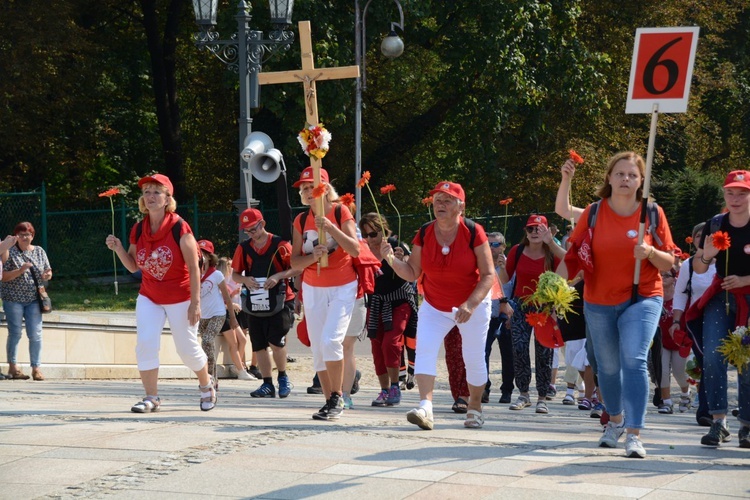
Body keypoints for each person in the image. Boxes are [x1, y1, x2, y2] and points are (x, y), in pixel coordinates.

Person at [560, 151, 679, 458]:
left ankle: (635, 434)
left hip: (642, 297)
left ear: (641, 181)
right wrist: (555, 284)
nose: (626, 179)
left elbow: (671, 260)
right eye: (620, 173)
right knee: (608, 368)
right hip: (598, 300)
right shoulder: (594, 212)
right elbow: (572, 255)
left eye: (632, 175)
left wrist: (650, 253)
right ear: (609, 177)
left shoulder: (651, 213)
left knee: (634, 359)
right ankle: (615, 421)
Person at [382, 181, 498, 430]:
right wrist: (390, 259)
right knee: (424, 350)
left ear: (461, 206)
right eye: (437, 200)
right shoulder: (424, 232)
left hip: (472, 305)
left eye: (447, 200)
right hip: (435, 305)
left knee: (473, 357)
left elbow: (488, 275)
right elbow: (412, 272)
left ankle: (475, 407)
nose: (440, 205)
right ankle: (426, 407)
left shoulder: (473, 231)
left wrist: (470, 304)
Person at [105, 173, 216, 412]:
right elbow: (134, 266)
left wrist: (195, 303)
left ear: (167, 198)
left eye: (157, 191)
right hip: (150, 295)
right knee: (145, 343)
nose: (151, 196)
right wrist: (118, 249)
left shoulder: (179, 227)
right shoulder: (138, 228)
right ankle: (151, 397)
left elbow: (195, 268)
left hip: (180, 296)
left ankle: (207, 385)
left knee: (186, 349)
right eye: (147, 192)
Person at [290, 167, 360, 420]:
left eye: (313, 186)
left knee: (331, 340)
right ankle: (330, 400)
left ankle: (339, 396)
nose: (308, 192)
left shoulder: (340, 211)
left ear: (326, 189)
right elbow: (295, 263)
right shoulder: (300, 220)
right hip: (312, 287)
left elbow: (354, 249)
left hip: (342, 285)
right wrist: (312, 257)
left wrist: (331, 229)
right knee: (319, 346)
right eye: (304, 188)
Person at [689, 170, 750, 448]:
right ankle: (718, 421)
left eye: (742, 193)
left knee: (746, 362)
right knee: (713, 355)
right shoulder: (716, 224)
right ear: (724, 194)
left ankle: (747, 425)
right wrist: (706, 255)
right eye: (730, 193)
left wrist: (746, 279)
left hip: (748, 299)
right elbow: (699, 267)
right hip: (721, 297)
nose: (735, 199)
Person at [499, 215, 566, 414]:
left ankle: (542, 397)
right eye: (531, 229)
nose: (535, 232)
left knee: (544, 352)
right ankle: (523, 394)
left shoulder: (551, 253)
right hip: (521, 305)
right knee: (519, 348)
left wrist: (551, 242)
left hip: (545, 306)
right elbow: (505, 279)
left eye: (540, 229)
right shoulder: (517, 251)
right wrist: (501, 266)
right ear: (525, 233)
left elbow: (568, 262)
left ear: (547, 231)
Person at [232, 208, 299, 399]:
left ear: (262, 224)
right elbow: (235, 274)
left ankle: (283, 378)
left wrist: (278, 276)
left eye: (253, 229)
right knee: (258, 345)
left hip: (280, 300)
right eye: (247, 231)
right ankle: (267, 383)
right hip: (255, 302)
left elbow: (296, 268)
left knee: (276, 341)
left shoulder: (281, 244)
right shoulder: (244, 248)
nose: (250, 234)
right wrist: (246, 280)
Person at [359, 213, 417, 408]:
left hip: (399, 300)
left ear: (384, 231)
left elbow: (411, 271)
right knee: (377, 347)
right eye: (365, 235)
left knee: (390, 342)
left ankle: (395, 386)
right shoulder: (363, 249)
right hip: (375, 303)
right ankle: (384, 390)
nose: (369, 239)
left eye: (373, 234)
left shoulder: (396, 245)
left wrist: (396, 259)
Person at [672, 222, 715, 423]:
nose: (702, 240)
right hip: (697, 321)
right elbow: (681, 293)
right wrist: (676, 320)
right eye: (698, 236)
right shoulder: (689, 264)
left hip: (727, 318)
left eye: (706, 236)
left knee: (719, 364)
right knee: (707, 361)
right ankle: (706, 410)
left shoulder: (727, 262)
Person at [1, 224, 51, 381]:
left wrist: (47, 274)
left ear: (32, 236)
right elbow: (4, 276)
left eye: (27, 234)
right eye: (21, 234)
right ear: (15, 236)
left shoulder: (39, 251)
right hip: (13, 298)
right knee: (15, 333)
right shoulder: (9, 252)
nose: (24, 237)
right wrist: (20, 271)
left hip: (34, 300)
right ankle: (13, 368)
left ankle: (36, 368)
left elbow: (48, 270)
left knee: (36, 334)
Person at [196, 240, 246, 382]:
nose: (202, 256)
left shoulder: (217, 274)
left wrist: (233, 318)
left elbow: (227, 297)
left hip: (218, 314)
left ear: (211, 257)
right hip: (202, 316)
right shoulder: (194, 274)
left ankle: (211, 376)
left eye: (205, 253)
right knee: (205, 345)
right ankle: (210, 376)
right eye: (199, 252)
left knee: (207, 340)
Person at [483, 232, 515, 404]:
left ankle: (507, 390)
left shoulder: (509, 265)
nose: (491, 248)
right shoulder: (483, 263)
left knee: (508, 354)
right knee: (483, 352)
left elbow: (507, 285)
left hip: (505, 314)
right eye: (489, 244)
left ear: (503, 246)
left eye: (495, 245)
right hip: (488, 314)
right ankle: (485, 388)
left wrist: (502, 268)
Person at [216, 257, 251, 380]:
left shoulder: (226, 280)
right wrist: (232, 299)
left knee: (243, 340)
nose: (231, 268)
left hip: (230, 313)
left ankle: (238, 366)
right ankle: (239, 368)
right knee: (236, 342)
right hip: (224, 314)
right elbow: (220, 300)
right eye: (229, 266)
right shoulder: (220, 281)